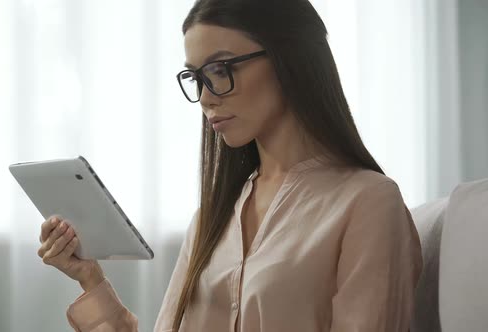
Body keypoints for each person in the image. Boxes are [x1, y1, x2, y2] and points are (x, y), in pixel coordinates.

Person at [37, 0, 423, 331]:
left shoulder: (368, 203)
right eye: (196, 77)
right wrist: (91, 278)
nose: (205, 98)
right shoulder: (211, 218)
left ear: (289, 58)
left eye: (220, 70)